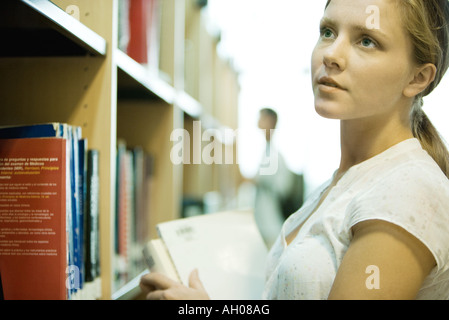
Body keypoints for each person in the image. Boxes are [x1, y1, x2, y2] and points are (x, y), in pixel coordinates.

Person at [140, 0, 449, 300]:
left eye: (366, 41)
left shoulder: (407, 189)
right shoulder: (340, 184)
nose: (331, 54)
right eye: (328, 32)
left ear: (418, 77)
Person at [253, 108, 297, 249]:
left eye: (261, 118)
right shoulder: (266, 151)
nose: (258, 122)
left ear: (271, 122)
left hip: (271, 222)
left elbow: (282, 188)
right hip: (263, 222)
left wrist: (257, 181)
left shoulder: (275, 155)